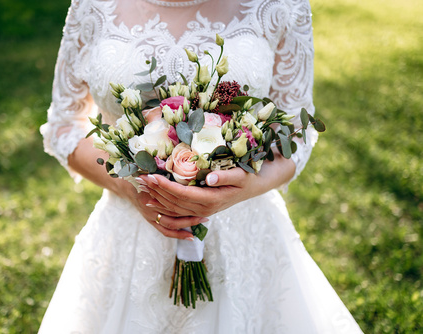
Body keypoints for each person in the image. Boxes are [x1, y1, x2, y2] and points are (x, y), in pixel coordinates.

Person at [38, 0, 363, 332]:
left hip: (244, 237)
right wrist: (130, 186)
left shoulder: (282, 5)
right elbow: (66, 128)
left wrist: (243, 187)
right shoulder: (92, 5)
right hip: (130, 235)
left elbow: (297, 131)